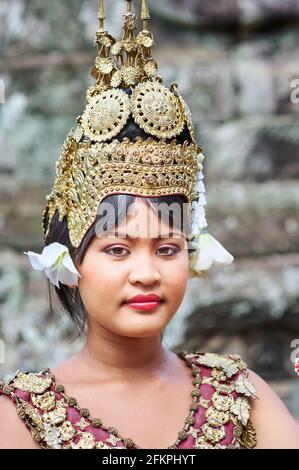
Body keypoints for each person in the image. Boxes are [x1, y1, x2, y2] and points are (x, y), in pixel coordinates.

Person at [1, 0, 299, 450]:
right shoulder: (20, 417)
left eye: (167, 248)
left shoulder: (241, 394)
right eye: (117, 249)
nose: (147, 273)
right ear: (69, 261)